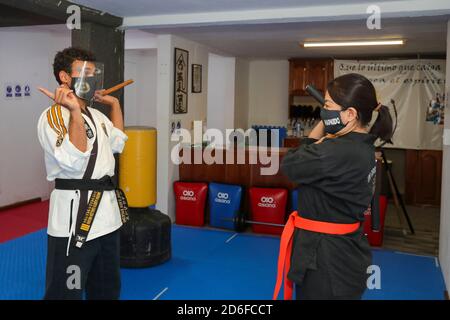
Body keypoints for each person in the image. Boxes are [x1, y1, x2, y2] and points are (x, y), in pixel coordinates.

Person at [273, 73, 393, 300]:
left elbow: (290, 165)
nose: (323, 111)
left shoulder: (335, 151)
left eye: (327, 106)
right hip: (346, 250)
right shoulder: (364, 145)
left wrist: (324, 127)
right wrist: (330, 119)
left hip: (325, 258)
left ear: (350, 114)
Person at [37, 47, 128, 300]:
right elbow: (72, 159)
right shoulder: (54, 115)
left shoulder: (96, 115)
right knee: (66, 293)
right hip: (75, 221)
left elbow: (118, 143)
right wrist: (74, 111)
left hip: (107, 219)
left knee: (107, 289)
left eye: (93, 72)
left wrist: (115, 104)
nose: (91, 77)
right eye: (84, 71)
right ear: (65, 77)